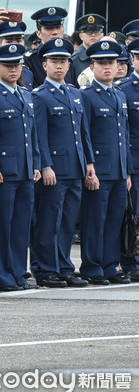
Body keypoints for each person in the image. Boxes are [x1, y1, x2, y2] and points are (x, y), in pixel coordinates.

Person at [31, 38, 96, 288]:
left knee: (67, 220)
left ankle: (64, 267)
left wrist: (89, 163)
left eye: (63, 61)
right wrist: (45, 165)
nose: (59, 66)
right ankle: (46, 269)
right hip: (55, 170)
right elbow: (40, 135)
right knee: (49, 220)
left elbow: (83, 133)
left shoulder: (74, 93)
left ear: (70, 64)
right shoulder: (40, 96)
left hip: (76, 167)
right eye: (54, 61)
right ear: (44, 64)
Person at [0, 43, 41, 291]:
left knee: (20, 227)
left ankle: (18, 273)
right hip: (4, 173)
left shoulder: (27, 95)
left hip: (25, 170)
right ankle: (2, 276)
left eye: (17, 65)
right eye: (8, 65)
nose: (14, 69)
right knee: (1, 227)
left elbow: (33, 135)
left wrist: (36, 163)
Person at [80, 40, 132, 285]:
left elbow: (125, 136)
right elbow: (85, 134)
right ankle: (92, 267)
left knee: (114, 221)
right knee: (95, 221)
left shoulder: (120, 94)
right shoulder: (87, 96)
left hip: (119, 170)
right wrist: (90, 166)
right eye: (102, 63)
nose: (108, 67)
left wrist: (128, 171)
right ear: (93, 66)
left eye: (111, 62)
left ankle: (110, 266)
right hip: (99, 170)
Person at [116, 38, 139, 282]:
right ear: (132, 60)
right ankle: (131, 262)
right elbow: (122, 131)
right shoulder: (124, 89)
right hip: (135, 160)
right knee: (133, 216)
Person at [0, 10, 34, 92]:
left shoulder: (28, 72)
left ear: (24, 43)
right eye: (9, 41)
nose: (14, 45)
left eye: (18, 41)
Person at [25, 7, 76, 87]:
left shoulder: (68, 57)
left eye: (58, 27)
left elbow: (75, 91)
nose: (55, 32)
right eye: (49, 28)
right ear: (39, 34)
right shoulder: (30, 60)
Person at [71, 14, 106, 79]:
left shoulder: (107, 57)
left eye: (97, 31)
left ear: (103, 35)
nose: (93, 34)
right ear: (81, 36)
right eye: (88, 31)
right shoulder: (73, 60)